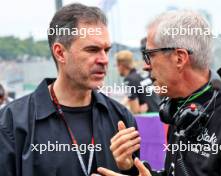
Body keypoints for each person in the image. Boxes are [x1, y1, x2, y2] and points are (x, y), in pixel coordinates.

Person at [95, 10, 221, 176]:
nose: (146, 66)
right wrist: (132, 167)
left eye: (149, 55)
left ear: (179, 58)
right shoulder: (182, 110)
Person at [0, 3, 140, 176]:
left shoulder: (121, 118)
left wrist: (128, 169)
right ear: (60, 53)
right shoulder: (12, 123)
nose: (104, 60)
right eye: (92, 50)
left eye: (106, 50)